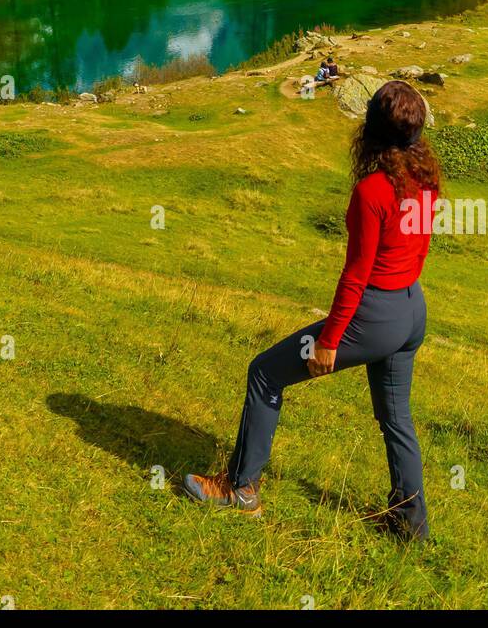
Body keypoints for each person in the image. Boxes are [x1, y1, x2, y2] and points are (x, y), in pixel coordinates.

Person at [184, 80, 439, 539]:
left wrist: (329, 341)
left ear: (371, 130)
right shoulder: (425, 178)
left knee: (265, 372)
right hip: (411, 310)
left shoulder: (373, 192)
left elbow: (356, 276)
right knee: (396, 417)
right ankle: (411, 524)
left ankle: (240, 490)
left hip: (374, 314)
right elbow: (417, 250)